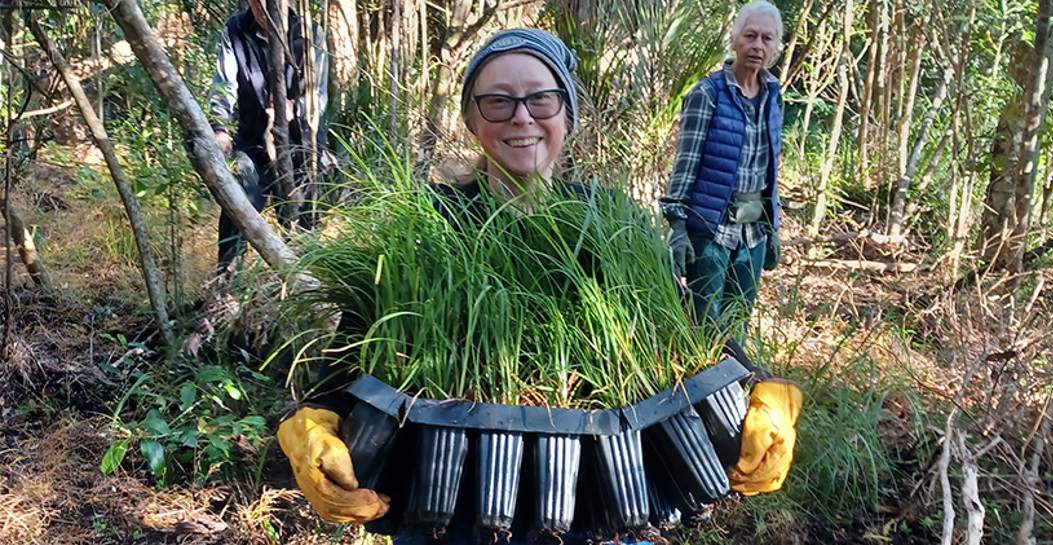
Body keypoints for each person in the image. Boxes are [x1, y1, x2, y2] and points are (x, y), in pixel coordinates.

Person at [276, 28, 800, 544]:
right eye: (497, 101)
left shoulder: (608, 218)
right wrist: (314, 421)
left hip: (590, 500)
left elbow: (684, 329)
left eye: (541, 99)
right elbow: (355, 349)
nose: (522, 117)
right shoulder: (429, 220)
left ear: (566, 115)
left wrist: (763, 387)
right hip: (442, 504)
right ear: (471, 119)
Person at [661, 0, 785, 330]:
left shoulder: (773, 93)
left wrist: (774, 224)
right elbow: (686, 162)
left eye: (767, 39)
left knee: (738, 319)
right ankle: (700, 381)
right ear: (734, 40)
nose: (758, 45)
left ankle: (736, 382)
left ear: (776, 47)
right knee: (704, 320)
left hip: (752, 222)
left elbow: (770, 165)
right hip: (711, 223)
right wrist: (677, 225)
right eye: (750, 36)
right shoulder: (707, 94)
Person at [208, 0, 328, 274]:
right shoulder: (236, 29)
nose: (263, 5)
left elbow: (319, 94)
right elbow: (224, 84)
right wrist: (219, 128)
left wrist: (295, 109)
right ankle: (225, 282)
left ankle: (302, 291)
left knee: (301, 229)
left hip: (302, 145)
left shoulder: (310, 32)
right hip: (253, 141)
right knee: (236, 204)